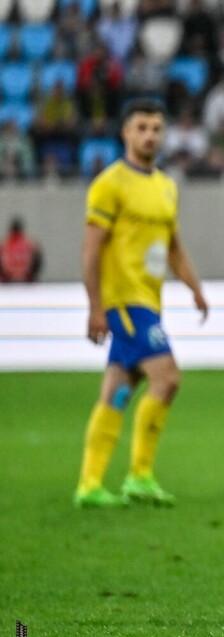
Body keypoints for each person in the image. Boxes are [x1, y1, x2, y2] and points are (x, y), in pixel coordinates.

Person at [76, 99, 209, 508]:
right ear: (126, 134)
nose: (150, 134)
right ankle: (139, 475)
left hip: (149, 301)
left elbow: (172, 248)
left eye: (156, 128)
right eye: (142, 127)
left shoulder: (166, 187)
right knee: (167, 378)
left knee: (119, 388)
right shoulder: (110, 184)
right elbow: (91, 251)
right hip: (124, 301)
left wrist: (194, 287)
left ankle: (90, 484)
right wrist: (96, 307)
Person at [0, 217, 43, 283]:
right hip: (11, 278)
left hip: (21, 278)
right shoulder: (30, 243)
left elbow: (37, 259)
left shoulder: (5, 244)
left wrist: (31, 274)